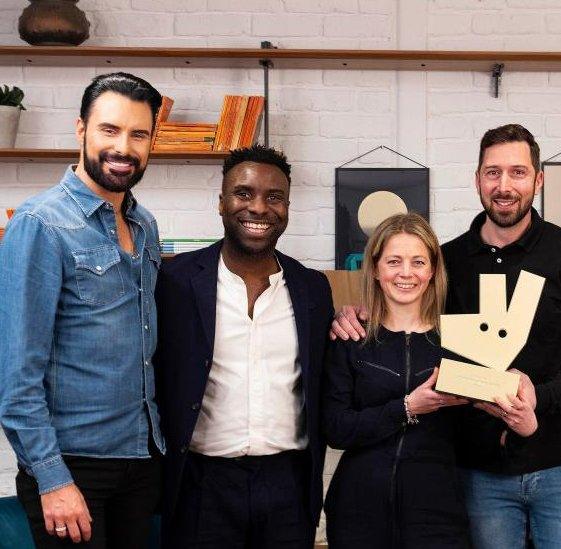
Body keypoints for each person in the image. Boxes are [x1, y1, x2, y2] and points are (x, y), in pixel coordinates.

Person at [332, 124, 561, 549]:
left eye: (517, 172)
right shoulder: (447, 262)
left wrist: (540, 395)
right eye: (492, 172)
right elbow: (406, 316)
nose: (504, 186)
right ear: (477, 179)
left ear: (538, 180)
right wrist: (354, 312)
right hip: (477, 472)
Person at [0, 72, 164, 548]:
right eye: (109, 130)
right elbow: (16, 376)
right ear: (81, 131)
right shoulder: (40, 224)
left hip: (140, 458)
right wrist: (52, 479)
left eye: (138, 134)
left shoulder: (145, 223)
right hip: (72, 467)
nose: (124, 148)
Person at [153, 145, 333, 548]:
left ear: (287, 207)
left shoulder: (312, 289)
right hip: (200, 485)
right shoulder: (175, 281)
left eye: (274, 197)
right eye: (244, 194)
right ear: (221, 203)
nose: (259, 208)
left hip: (289, 484)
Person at [324, 212, 473, 548]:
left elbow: (473, 432)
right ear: (376, 269)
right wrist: (406, 407)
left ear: (433, 270)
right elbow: (335, 428)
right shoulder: (351, 337)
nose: (406, 273)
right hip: (357, 512)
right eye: (394, 261)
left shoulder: (458, 342)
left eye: (418, 262)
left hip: (438, 517)